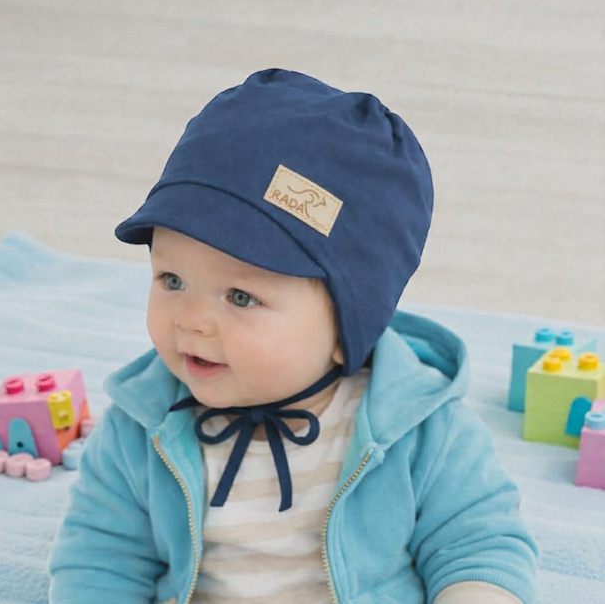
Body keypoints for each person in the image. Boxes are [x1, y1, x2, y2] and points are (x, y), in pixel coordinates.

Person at [48, 68, 538, 603]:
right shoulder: (142, 425)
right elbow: (100, 559)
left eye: (241, 297)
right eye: (172, 280)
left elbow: (478, 545)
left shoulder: (421, 432)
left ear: (347, 325)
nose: (191, 320)